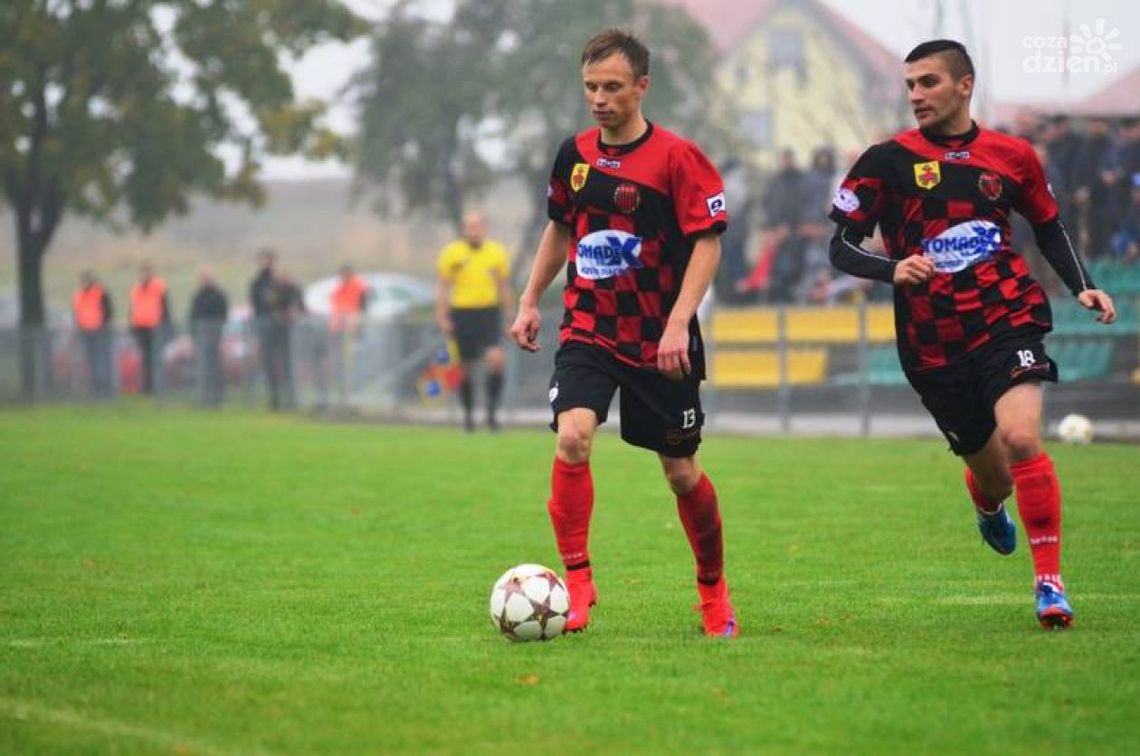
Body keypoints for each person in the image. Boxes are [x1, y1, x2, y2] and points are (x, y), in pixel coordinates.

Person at [827, 39, 1117, 629]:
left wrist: (1082, 285)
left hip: (1006, 315)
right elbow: (841, 246)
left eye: (928, 82)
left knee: (1022, 438)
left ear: (965, 85)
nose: (916, 94)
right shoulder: (885, 160)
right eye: (910, 84)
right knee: (998, 476)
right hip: (932, 340)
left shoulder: (1012, 155)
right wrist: (892, 268)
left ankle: (1049, 583)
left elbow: (1049, 226)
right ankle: (986, 500)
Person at [509, 29, 737, 637]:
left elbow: (708, 244)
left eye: (612, 87)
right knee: (573, 438)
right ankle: (577, 582)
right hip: (589, 327)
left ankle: (713, 591)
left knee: (681, 473)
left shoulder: (677, 158)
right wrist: (530, 299)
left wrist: (679, 322)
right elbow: (560, 227)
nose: (599, 99)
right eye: (590, 87)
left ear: (642, 87)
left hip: (659, 339)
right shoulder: (575, 155)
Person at [435, 210, 512, 431]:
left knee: (496, 360)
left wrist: (510, 318)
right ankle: (468, 416)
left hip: (488, 312)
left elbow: (504, 287)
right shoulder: (452, 254)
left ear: (484, 228)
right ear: (464, 229)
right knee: (464, 367)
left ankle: (491, 414)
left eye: (477, 226)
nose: (473, 231)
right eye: (469, 227)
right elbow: (443, 288)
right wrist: (442, 317)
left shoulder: (496, 253)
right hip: (462, 313)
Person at [329, 264, 373, 404]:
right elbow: (336, 308)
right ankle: (344, 393)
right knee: (342, 363)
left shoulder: (358, 286)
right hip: (341, 331)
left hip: (354, 331)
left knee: (356, 361)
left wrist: (359, 323)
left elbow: (363, 305)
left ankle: (356, 391)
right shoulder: (339, 288)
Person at [249, 249, 286, 409]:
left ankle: (287, 396)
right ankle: (274, 398)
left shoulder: (278, 282)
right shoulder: (257, 283)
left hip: (280, 328)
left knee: (283, 361)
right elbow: (256, 304)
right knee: (269, 363)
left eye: (267, 260)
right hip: (265, 326)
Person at [128, 262, 171, 395]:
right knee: (145, 359)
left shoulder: (158, 286)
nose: (144, 275)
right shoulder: (136, 289)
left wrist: (165, 325)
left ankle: (158, 386)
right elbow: (132, 309)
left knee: (155, 358)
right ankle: (147, 387)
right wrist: (132, 326)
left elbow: (165, 307)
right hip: (141, 327)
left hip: (155, 327)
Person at [188, 267, 229, 407]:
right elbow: (193, 316)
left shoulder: (218, 295)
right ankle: (204, 395)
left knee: (215, 366)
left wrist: (215, 330)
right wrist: (194, 334)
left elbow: (223, 315)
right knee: (202, 367)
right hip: (201, 338)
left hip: (214, 337)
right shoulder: (198, 296)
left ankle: (217, 395)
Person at [72, 271, 114, 398]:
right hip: (85, 332)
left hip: (99, 332)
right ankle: (95, 387)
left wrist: (104, 326)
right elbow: (76, 312)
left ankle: (104, 387)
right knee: (91, 360)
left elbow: (108, 311)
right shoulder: (78, 295)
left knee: (101, 360)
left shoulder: (100, 292)